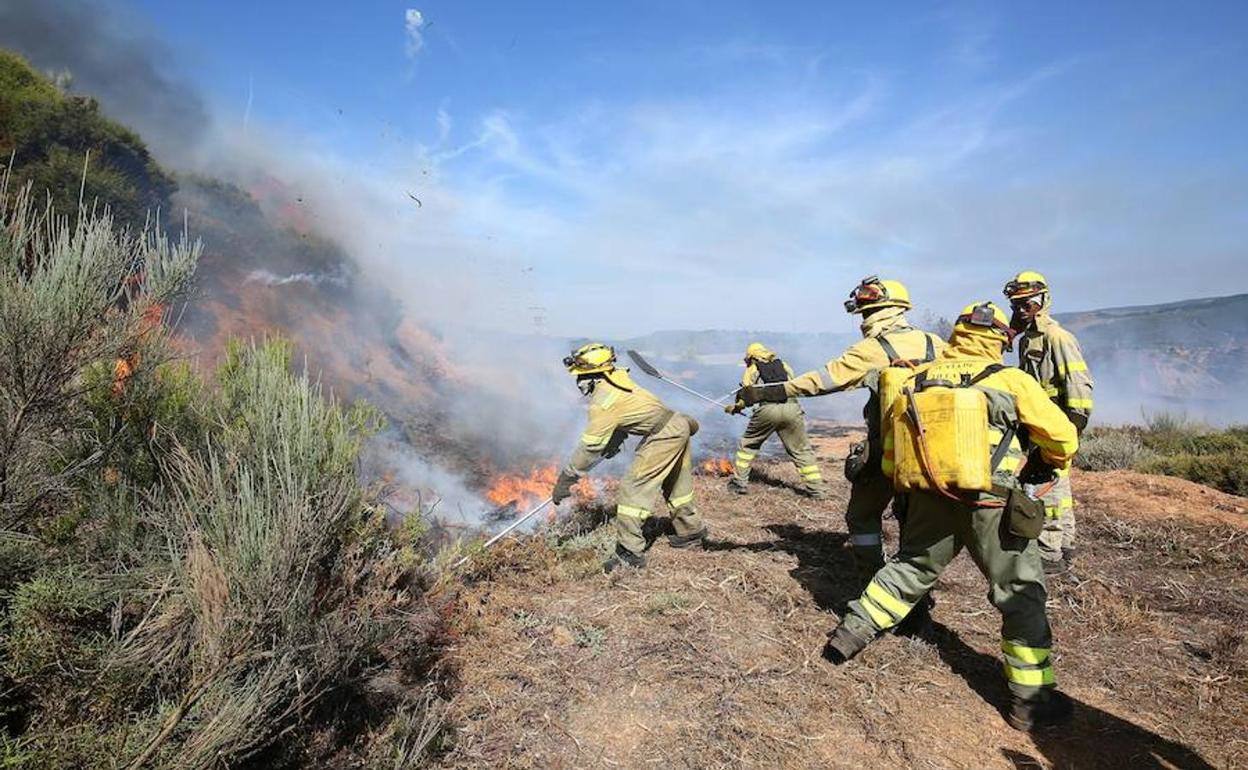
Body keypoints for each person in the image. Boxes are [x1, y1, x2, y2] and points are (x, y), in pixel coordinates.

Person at [823, 301, 1079, 731]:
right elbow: (1062, 438)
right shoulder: (1010, 379)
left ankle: (848, 636)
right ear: (1000, 338)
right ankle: (1030, 702)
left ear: (958, 334)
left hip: (927, 496)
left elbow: (891, 447)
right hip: (990, 503)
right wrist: (1044, 461)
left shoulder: (917, 380)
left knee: (909, 567)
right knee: (1019, 590)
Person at [729, 277, 945, 601]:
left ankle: (875, 586)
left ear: (873, 312)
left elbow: (822, 380)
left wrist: (762, 392)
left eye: (864, 313)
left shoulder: (873, 349)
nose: (862, 320)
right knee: (913, 520)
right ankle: (914, 591)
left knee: (861, 517)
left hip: (888, 449)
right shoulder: (938, 344)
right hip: (935, 451)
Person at [553, 343, 707, 572]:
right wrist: (614, 442)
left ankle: (629, 552)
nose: (579, 384)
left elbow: (589, 447)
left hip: (664, 435)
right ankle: (690, 530)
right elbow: (625, 416)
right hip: (678, 425)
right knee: (676, 483)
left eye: (582, 378)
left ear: (595, 376)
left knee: (632, 488)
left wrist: (567, 478)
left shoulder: (602, 403)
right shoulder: (618, 379)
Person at [1004, 271, 1094, 574]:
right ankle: (1066, 545)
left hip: (1055, 426)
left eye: (1027, 303)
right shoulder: (1028, 339)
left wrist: (1071, 429)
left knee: (1046, 485)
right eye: (1016, 305)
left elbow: (1080, 386)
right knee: (1058, 485)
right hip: (1039, 425)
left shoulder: (1058, 338)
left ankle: (1049, 554)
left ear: (1043, 300)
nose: (1021, 310)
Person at [727, 342, 826, 498]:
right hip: (792, 408)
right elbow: (793, 386)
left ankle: (739, 483)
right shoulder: (784, 365)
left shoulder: (753, 369)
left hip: (768, 410)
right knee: (801, 450)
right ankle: (817, 490)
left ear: (751, 357)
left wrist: (737, 407)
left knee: (747, 446)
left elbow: (747, 393)